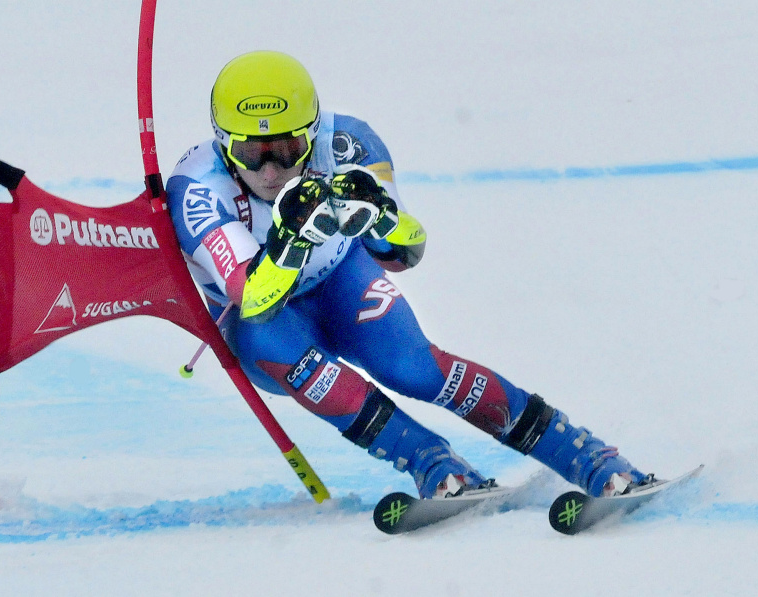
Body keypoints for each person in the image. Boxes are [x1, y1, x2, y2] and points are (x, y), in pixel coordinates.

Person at [166, 50, 652, 499]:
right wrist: (291, 241)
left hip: (339, 279)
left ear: (312, 133)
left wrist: (378, 216)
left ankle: (589, 457)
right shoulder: (196, 188)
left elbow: (404, 253)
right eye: (253, 154)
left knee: (414, 368)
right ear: (223, 143)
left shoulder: (348, 142)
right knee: (299, 360)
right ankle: (433, 464)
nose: (271, 171)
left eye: (289, 149)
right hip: (264, 321)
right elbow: (253, 298)